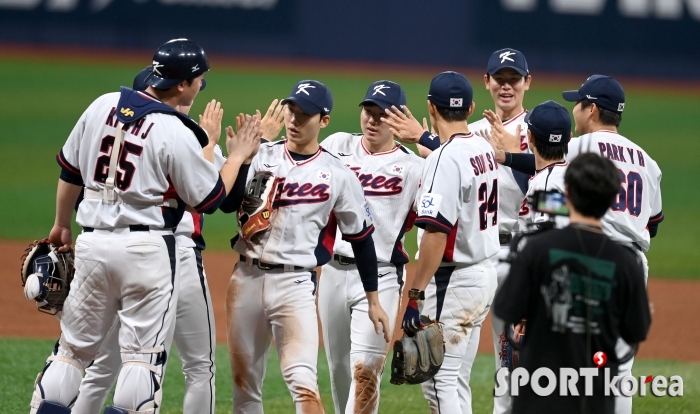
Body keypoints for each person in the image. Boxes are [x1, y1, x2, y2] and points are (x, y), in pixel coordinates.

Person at [29, 39, 261, 414]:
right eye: (199, 79)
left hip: (91, 244)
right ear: (184, 84)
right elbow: (210, 199)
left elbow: (69, 171)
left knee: (72, 352)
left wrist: (61, 224)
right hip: (146, 251)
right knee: (141, 358)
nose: (201, 85)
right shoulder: (175, 130)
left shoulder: (101, 104)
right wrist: (235, 156)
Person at [490, 75, 663, 414]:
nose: (576, 110)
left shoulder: (582, 147)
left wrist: (508, 159)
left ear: (592, 109)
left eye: (579, 103)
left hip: (589, 253)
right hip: (631, 261)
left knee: (562, 348)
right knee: (616, 364)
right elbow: (652, 224)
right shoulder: (647, 161)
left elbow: (546, 167)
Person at [221, 80, 391, 413]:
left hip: (295, 286)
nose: (295, 121)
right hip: (245, 279)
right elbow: (227, 204)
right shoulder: (261, 155)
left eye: (305, 115)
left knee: (304, 384)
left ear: (323, 120)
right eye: (292, 111)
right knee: (244, 388)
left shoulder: (337, 174)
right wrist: (240, 160)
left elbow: (361, 238)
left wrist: (373, 298)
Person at [318, 80, 423, 414]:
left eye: (384, 115)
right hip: (333, 272)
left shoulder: (413, 167)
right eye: (369, 111)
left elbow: (453, 178)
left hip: (381, 278)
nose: (373, 120)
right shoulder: (337, 145)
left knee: (365, 372)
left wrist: (426, 141)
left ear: (399, 120)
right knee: (338, 369)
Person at [400, 71, 499, 414]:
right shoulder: (483, 148)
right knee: (455, 379)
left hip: (452, 282)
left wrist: (415, 294)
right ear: (470, 107)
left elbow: (435, 233)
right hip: (483, 275)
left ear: (430, 106)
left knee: (438, 382)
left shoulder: (444, 157)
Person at [518, 100, 572, 228]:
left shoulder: (547, 184)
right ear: (569, 138)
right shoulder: (571, 174)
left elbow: (547, 237)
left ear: (530, 136)